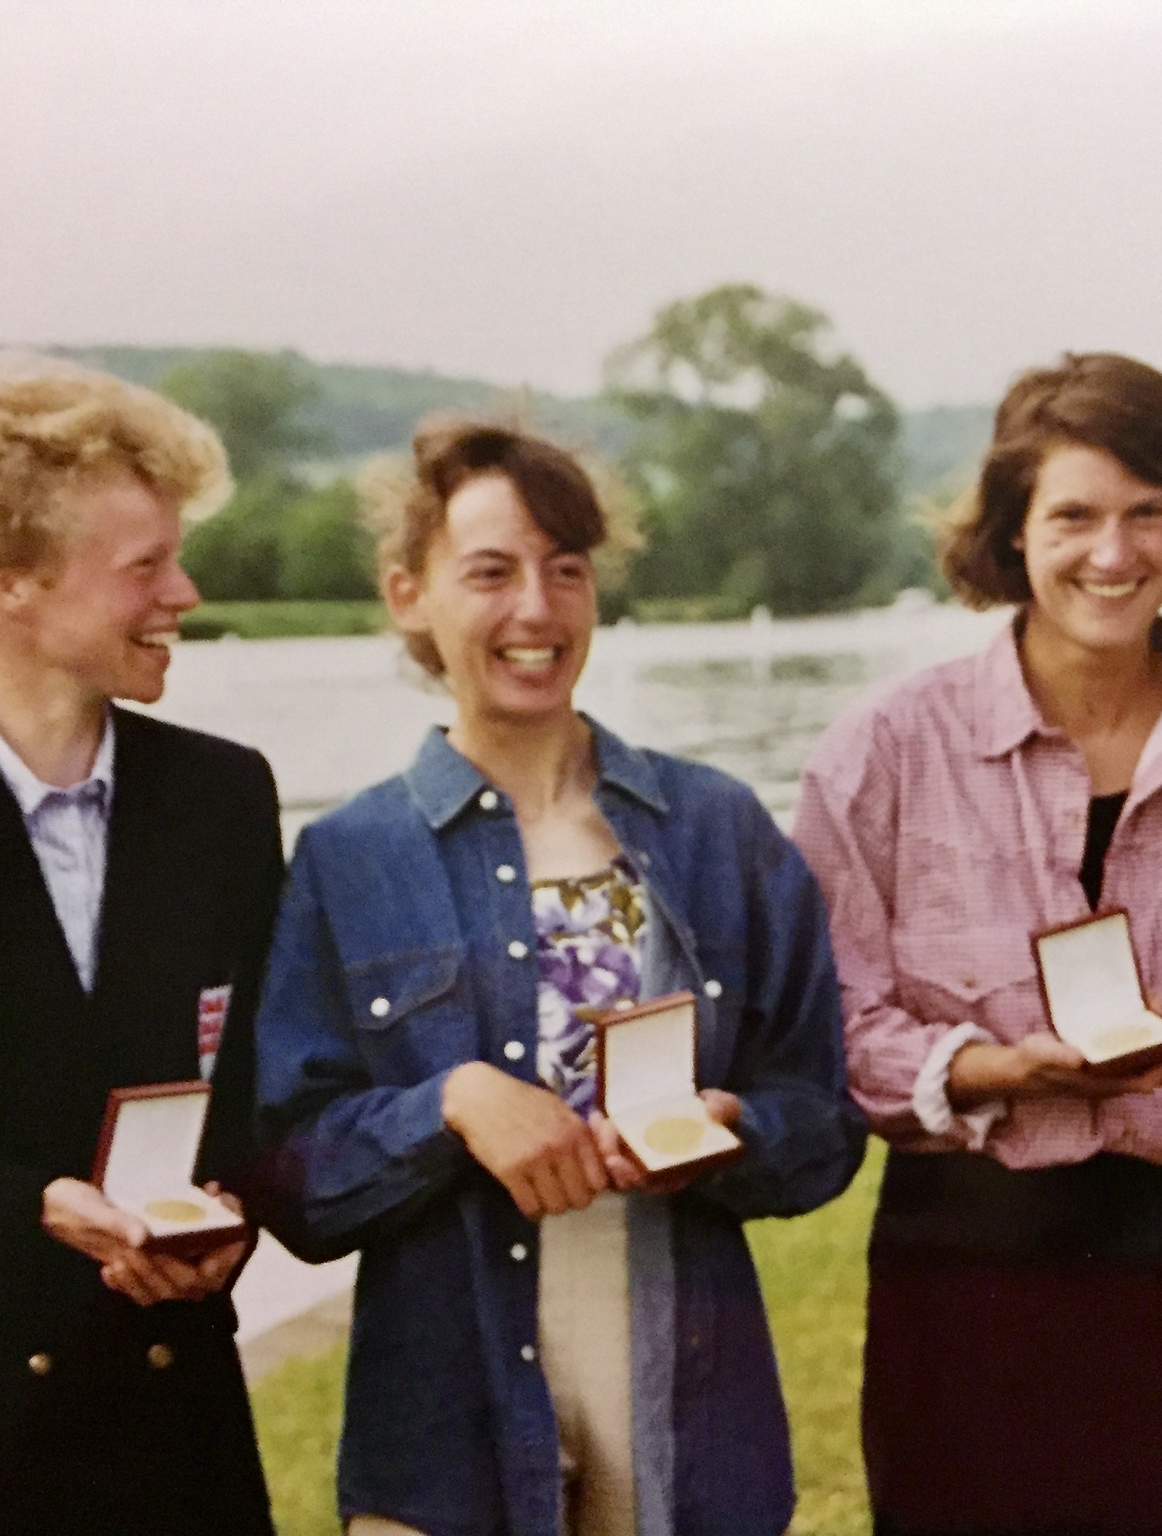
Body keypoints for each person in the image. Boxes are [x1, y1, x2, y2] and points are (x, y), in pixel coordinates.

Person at [253, 417, 865, 1536]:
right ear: (407, 595)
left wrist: (736, 1132)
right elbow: (289, 1176)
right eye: (490, 573)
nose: (536, 610)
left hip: (686, 1396)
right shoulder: (348, 859)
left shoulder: (718, 826)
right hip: (442, 1422)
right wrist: (450, 1106)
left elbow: (823, 1123)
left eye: (566, 570)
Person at [794, 353, 1162, 1536]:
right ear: (1012, 529)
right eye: (1074, 516)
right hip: (973, 1273)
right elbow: (827, 1023)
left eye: (1149, 511)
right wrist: (993, 1069)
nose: (1113, 552)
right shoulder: (884, 752)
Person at [0, 355, 283, 1535]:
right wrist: (27, 1216)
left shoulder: (223, 799)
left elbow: (259, 1086)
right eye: (145, 565)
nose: (184, 591)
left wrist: (230, 1215)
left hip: (179, 1442)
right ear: (9, 583)